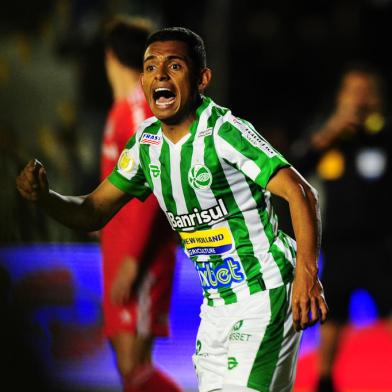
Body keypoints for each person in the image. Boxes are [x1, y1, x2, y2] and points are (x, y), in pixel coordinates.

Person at [16, 27, 328, 392]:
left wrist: (307, 272)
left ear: (202, 79)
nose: (159, 75)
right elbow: (92, 211)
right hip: (215, 309)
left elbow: (301, 193)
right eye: (150, 67)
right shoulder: (146, 145)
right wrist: (45, 197)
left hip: (267, 294)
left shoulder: (223, 133)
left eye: (174, 66)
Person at [290, 64, 392, 392]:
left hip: (383, 244)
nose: (360, 99)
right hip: (338, 244)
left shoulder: (385, 134)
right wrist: (332, 130)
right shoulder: (328, 137)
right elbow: (295, 168)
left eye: (366, 92)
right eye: (353, 92)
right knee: (332, 318)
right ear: (341, 97)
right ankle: (324, 380)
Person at [100, 17, 181, 392]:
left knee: (135, 367)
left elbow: (152, 180)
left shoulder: (138, 110)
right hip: (118, 250)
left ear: (110, 57)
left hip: (141, 254)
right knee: (127, 364)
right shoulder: (122, 109)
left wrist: (132, 257)